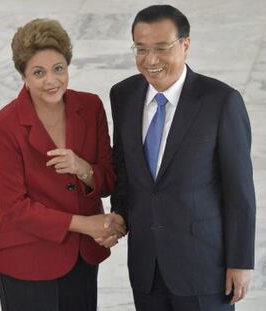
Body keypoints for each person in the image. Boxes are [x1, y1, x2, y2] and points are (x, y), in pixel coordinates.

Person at [101, 5, 256, 311]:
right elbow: (125, 167)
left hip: (204, 268)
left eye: (162, 48)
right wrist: (119, 213)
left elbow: (239, 191)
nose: (150, 60)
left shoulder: (220, 101)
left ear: (185, 45)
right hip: (147, 267)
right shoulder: (124, 95)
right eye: (141, 49)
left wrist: (240, 262)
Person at [0, 18, 126, 311]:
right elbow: (15, 207)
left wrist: (83, 167)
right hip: (26, 257)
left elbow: (108, 178)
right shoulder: (6, 125)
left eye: (58, 69)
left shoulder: (90, 107)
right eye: (39, 72)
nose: (52, 81)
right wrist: (85, 225)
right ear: (23, 75)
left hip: (81, 256)